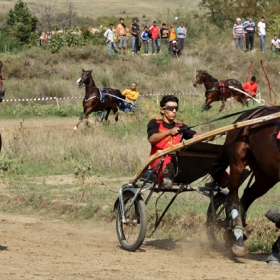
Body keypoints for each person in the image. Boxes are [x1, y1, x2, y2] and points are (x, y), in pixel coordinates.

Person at [147, 95, 230, 190]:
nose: (174, 111)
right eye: (170, 108)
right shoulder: (155, 123)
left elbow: (195, 135)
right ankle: (166, 178)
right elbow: (152, 139)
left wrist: (209, 135)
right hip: (159, 159)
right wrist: (168, 132)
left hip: (178, 161)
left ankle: (225, 179)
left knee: (204, 157)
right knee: (167, 161)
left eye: (176, 108)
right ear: (162, 110)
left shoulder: (181, 126)